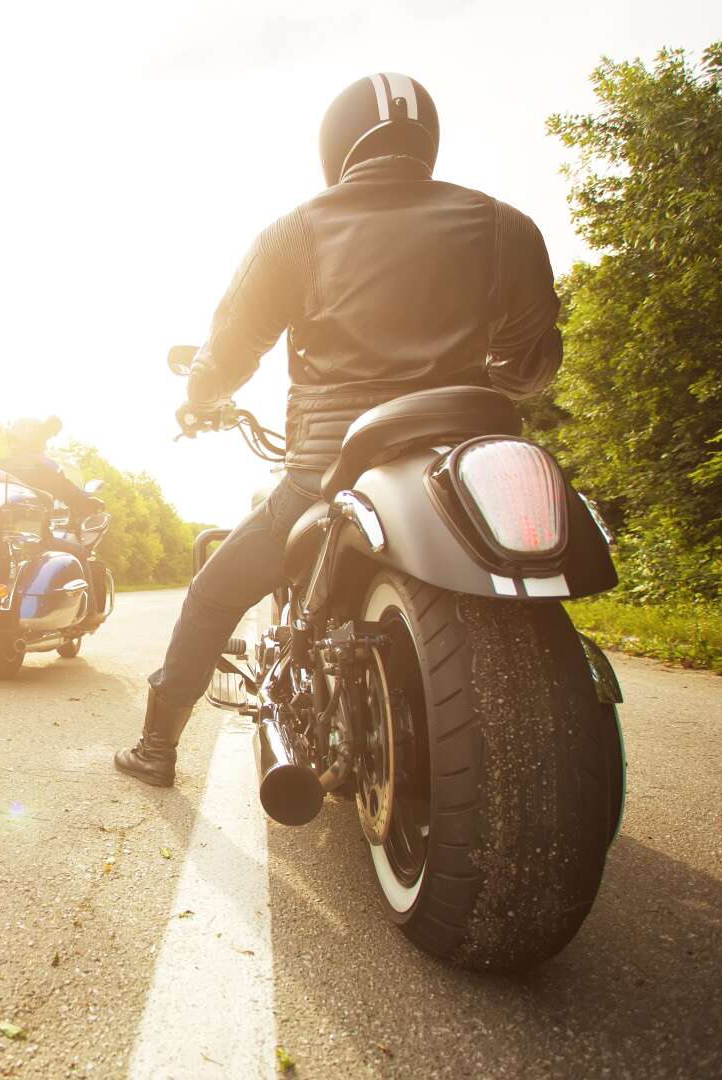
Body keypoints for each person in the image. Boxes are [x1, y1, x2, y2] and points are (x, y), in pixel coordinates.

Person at [116, 72, 564, 787]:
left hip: (331, 468)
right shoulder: (503, 223)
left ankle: (155, 749)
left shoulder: (297, 231)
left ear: (337, 143)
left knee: (211, 593)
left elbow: (230, 346)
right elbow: (534, 358)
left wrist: (199, 397)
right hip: (463, 459)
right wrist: (489, 386)